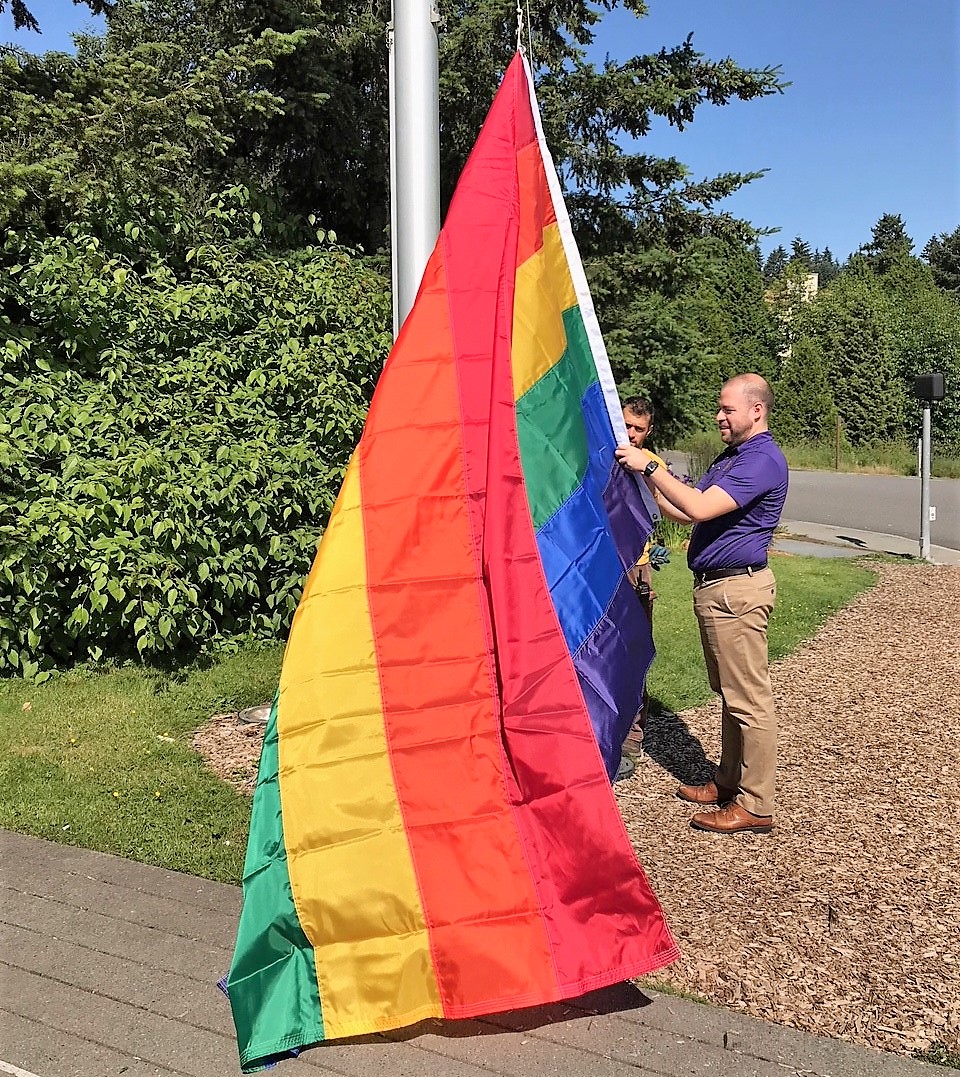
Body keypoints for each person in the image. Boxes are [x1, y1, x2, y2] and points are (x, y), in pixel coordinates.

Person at [615, 374, 788, 834]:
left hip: (737, 592)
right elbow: (680, 506)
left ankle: (756, 803)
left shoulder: (763, 461)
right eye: (720, 408)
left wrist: (651, 467)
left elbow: (699, 509)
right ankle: (728, 781)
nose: (719, 417)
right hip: (718, 590)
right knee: (731, 695)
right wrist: (650, 478)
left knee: (749, 701)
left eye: (728, 409)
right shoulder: (735, 457)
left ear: (757, 410)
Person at [621, 397, 667, 754]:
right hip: (606, 563)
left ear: (648, 431)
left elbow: (659, 506)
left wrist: (643, 469)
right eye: (627, 426)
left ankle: (634, 734)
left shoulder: (651, 464)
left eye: (639, 429)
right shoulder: (605, 456)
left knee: (635, 649)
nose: (632, 434)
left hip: (638, 567)